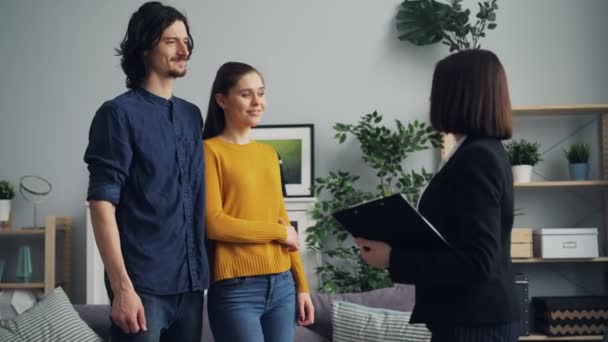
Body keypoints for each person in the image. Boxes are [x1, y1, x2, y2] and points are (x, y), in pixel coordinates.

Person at [356, 49, 520, 342]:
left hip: (474, 324)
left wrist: (394, 259)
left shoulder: (477, 157)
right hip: (470, 319)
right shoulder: (478, 151)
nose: (432, 99)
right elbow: (458, 238)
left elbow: (479, 261)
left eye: (438, 89)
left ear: (458, 95)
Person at [84, 2, 209, 341]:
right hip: (143, 288)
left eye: (186, 41)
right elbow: (101, 205)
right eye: (171, 41)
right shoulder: (116, 115)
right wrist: (122, 286)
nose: (184, 50)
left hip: (192, 285)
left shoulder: (191, 116)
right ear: (143, 48)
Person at [202, 61, 315, 342]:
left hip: (282, 284)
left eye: (261, 93)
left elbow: (282, 219)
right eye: (246, 94)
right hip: (236, 289)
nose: (257, 102)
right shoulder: (208, 151)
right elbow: (214, 224)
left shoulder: (268, 154)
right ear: (221, 100)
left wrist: (302, 286)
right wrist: (277, 232)